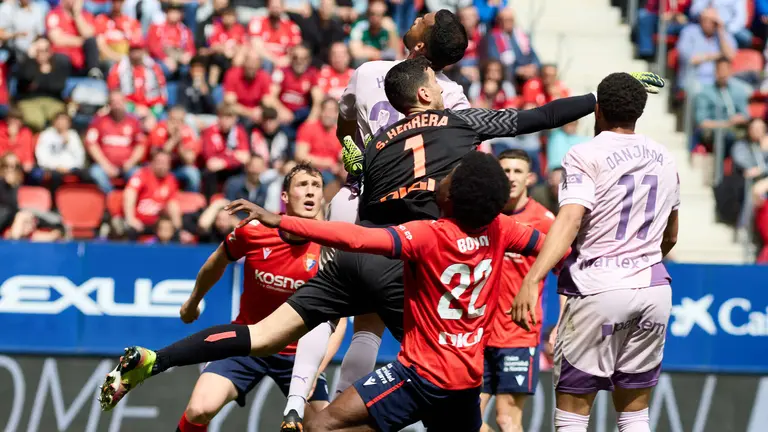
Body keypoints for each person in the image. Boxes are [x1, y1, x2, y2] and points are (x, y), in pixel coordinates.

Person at [96, 56, 612, 411]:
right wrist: (597, 100)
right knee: (445, 372)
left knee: (260, 335)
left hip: (356, 257)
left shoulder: (379, 143)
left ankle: (156, 359)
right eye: (435, 81)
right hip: (404, 262)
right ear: (426, 93)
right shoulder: (461, 124)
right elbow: (539, 117)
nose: (441, 87)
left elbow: (366, 201)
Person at [509, 72, 680, 432]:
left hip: (599, 284)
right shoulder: (665, 157)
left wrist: (533, 278)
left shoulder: (584, 154)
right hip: (654, 288)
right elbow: (671, 235)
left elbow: (571, 219)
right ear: (639, 112)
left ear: (597, 110)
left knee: (573, 414)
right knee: (634, 414)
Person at [173, 163, 344, 432]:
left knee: (324, 427)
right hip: (248, 342)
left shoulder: (331, 245)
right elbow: (217, 262)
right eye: (302, 185)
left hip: (299, 355)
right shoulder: (255, 230)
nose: (310, 192)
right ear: (285, 196)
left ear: (322, 197)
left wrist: (315, 369)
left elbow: (338, 321)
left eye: (316, 186)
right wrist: (193, 302)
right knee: (199, 409)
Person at [480, 150, 555, 432]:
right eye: (506, 171)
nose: (511, 177)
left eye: (517, 171)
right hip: (479, 331)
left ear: (530, 178)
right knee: (463, 420)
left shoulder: (544, 220)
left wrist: (561, 323)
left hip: (518, 333)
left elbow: (565, 271)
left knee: (507, 419)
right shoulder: (483, 214)